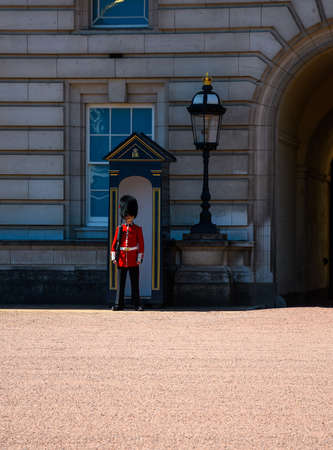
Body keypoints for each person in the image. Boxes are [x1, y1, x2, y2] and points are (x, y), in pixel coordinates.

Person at [111, 195, 144, 311]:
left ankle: (137, 304)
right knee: (120, 284)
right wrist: (114, 257)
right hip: (121, 259)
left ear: (133, 216)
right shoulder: (120, 229)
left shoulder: (137, 229)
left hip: (133, 259)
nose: (128, 218)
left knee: (135, 284)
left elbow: (141, 245)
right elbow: (114, 245)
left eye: (130, 216)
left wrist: (139, 258)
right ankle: (118, 304)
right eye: (127, 216)